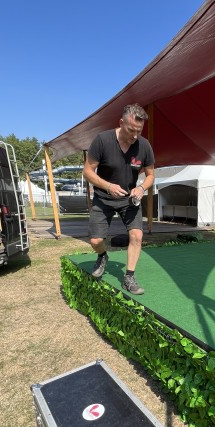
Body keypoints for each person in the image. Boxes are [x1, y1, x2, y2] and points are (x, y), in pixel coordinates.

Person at [82, 103, 155, 295]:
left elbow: (150, 176)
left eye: (138, 131)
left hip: (129, 199)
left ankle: (129, 277)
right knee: (96, 240)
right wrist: (108, 186)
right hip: (103, 197)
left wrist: (140, 188)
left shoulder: (144, 145)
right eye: (131, 130)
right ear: (121, 123)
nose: (134, 136)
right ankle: (102, 256)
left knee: (137, 235)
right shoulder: (102, 140)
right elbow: (87, 172)